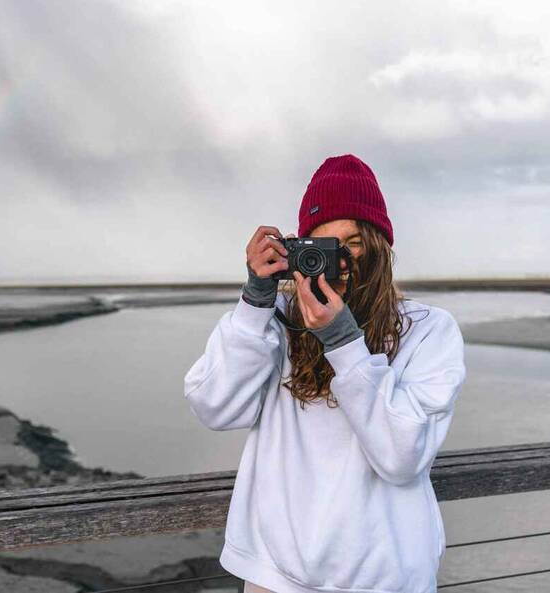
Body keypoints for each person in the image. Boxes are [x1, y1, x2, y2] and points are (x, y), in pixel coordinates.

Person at [183, 154, 467, 593]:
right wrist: (255, 301)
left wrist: (344, 342)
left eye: (352, 243)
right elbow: (215, 406)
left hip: (383, 577)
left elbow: (402, 457)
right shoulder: (274, 319)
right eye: (321, 247)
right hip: (275, 572)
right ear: (298, 252)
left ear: (381, 246)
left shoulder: (429, 330)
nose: (338, 260)